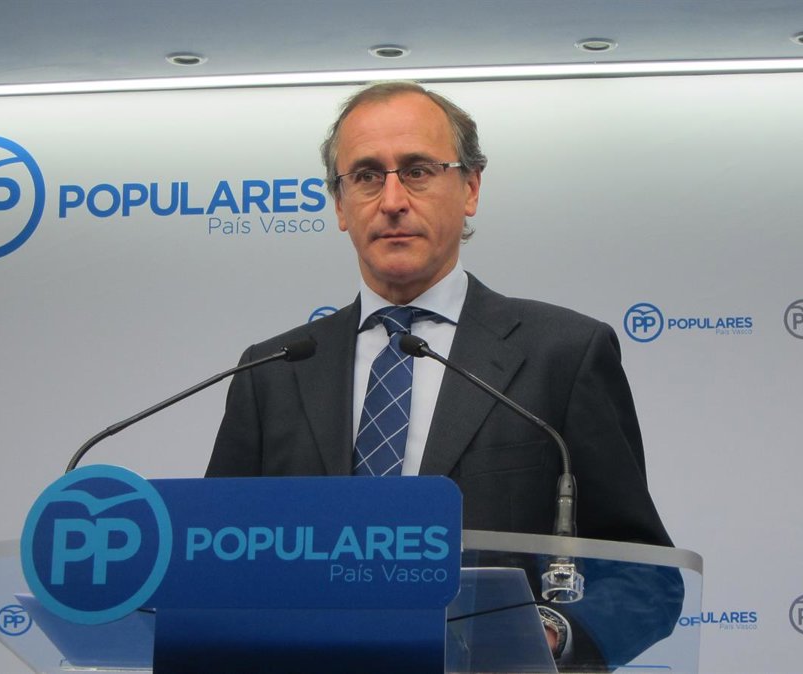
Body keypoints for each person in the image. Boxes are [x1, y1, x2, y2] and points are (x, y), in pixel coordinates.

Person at [208, 81, 671, 549]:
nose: (392, 202)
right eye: (367, 176)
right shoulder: (271, 373)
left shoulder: (564, 356)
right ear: (340, 204)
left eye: (417, 171)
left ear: (470, 188)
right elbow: (214, 551)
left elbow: (637, 567)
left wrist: (546, 605)